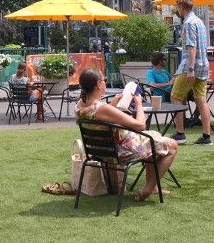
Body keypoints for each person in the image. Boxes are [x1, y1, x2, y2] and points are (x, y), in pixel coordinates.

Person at [75, 68, 179, 202]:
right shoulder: (102, 108)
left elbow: (99, 117)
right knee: (172, 146)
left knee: (153, 136)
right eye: (104, 80)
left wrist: (114, 103)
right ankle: (149, 188)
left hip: (99, 152)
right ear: (98, 84)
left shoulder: (80, 105)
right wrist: (139, 104)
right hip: (120, 153)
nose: (106, 83)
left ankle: (152, 187)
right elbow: (141, 125)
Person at [169, 0, 213, 145]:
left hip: (191, 66)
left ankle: (180, 133)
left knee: (175, 97)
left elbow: (191, 47)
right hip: (204, 65)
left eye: (177, 8)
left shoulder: (188, 23)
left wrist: (190, 69)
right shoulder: (199, 21)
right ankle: (206, 136)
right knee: (201, 100)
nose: (177, 11)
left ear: (182, 7)